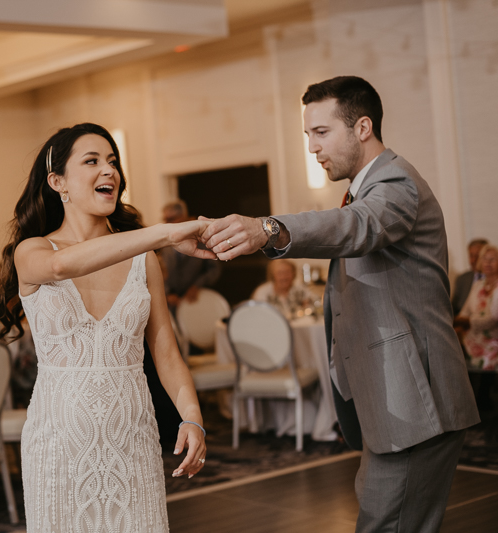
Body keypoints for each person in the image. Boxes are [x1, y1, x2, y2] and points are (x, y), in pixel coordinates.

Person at [201, 76, 479, 533]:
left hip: (416, 399)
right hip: (396, 398)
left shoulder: (396, 183)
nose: (312, 146)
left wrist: (268, 230)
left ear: (363, 127)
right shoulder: (365, 187)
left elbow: (358, 227)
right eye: (307, 134)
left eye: (322, 132)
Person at [0, 123, 209, 532]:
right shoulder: (34, 250)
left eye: (113, 162)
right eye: (92, 161)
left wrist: (192, 417)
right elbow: (61, 266)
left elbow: (165, 351)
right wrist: (161, 234)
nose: (109, 170)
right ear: (58, 182)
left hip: (132, 437)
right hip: (59, 443)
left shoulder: (144, 260)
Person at [160, 200, 221, 310]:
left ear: (183, 217)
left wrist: (197, 285)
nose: (167, 223)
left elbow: (214, 270)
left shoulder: (201, 239)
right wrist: (167, 293)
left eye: (171, 219)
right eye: (165, 220)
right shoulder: (163, 243)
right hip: (169, 304)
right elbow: (159, 271)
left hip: (195, 301)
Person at [455, 244, 498, 370]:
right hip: (472, 337)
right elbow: (465, 311)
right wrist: (458, 325)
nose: (488, 263)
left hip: (493, 339)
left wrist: (469, 322)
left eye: (492, 259)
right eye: (485, 258)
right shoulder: (478, 285)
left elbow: (494, 319)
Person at [452, 238, 488, 316]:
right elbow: (453, 308)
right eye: (471, 256)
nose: (473, 260)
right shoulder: (462, 279)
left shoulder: (494, 279)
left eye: (477, 256)